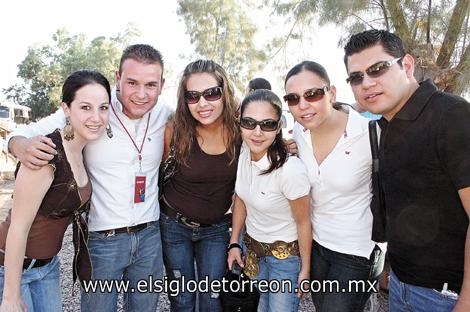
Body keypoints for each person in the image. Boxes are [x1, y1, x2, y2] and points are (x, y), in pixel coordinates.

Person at [7, 44, 172, 311]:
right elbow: (23, 133)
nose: (141, 94)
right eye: (131, 82)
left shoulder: (165, 113)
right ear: (118, 78)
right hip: (102, 240)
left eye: (150, 85)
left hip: (149, 237)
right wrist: (19, 146)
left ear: (162, 85)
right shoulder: (94, 107)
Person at [343, 29, 470, 312]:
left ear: (407, 65)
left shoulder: (452, 116)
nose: (367, 83)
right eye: (356, 77)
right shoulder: (385, 124)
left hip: (445, 296)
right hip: (401, 286)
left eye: (378, 69)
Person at [0, 70, 111, 312]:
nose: (96, 117)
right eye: (85, 107)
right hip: (11, 269)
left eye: (103, 108)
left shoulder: (81, 151)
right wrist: (10, 296)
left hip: (48, 267)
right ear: (66, 109)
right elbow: (18, 228)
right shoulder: (45, 154)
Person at [283, 61, 384, 311]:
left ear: (332, 93)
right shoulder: (298, 132)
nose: (303, 105)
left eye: (313, 94)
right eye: (293, 98)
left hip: (357, 249)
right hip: (317, 245)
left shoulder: (369, 133)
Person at [159, 59, 240, 311]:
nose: (202, 103)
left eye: (211, 93)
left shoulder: (242, 130)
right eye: (192, 96)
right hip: (174, 226)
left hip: (216, 230)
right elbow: (159, 170)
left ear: (224, 91)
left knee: (211, 300)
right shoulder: (176, 129)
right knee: (181, 300)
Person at [227, 89, 311, 311]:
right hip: (253, 252)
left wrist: (305, 270)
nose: (257, 132)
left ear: (278, 127)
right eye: (249, 122)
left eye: (267, 124)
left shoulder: (290, 170)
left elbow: (304, 222)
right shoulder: (244, 151)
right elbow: (241, 200)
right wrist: (234, 242)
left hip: (285, 260)